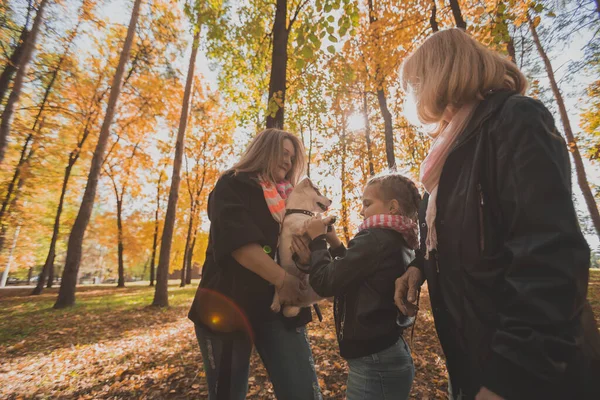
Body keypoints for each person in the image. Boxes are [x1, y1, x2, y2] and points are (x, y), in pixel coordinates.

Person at [393, 28, 600, 400]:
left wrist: (512, 377)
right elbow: (458, 234)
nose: (414, 95)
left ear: (439, 75)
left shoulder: (515, 119)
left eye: (416, 82)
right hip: (474, 362)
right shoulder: (448, 156)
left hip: (535, 376)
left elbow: (550, 257)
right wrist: (418, 267)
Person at [188, 128, 321, 400]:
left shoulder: (294, 199)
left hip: (280, 310)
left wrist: (308, 261)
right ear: (264, 151)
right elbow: (239, 245)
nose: (288, 160)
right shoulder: (233, 184)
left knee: (302, 390)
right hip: (228, 305)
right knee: (227, 393)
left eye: (292, 156)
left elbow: (300, 250)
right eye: (283, 153)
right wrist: (285, 281)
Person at [293, 173, 420, 400]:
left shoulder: (374, 238)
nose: (362, 211)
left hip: (374, 363)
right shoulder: (400, 239)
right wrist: (335, 244)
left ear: (392, 207)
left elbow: (325, 282)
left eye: (367, 204)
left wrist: (317, 241)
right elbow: (358, 276)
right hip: (388, 352)